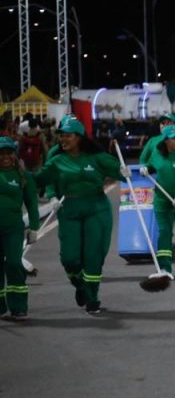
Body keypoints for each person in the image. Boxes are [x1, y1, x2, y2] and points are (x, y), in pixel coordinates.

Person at [32, 115, 126, 314]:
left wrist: (126, 171)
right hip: (70, 209)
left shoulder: (96, 156)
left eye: (68, 136)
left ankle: (93, 298)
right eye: (61, 136)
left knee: (93, 256)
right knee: (70, 258)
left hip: (96, 208)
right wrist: (50, 196)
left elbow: (119, 170)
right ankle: (80, 286)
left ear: (80, 137)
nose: (63, 139)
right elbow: (39, 179)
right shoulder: (57, 160)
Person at [140, 124, 175, 274]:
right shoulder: (157, 154)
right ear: (166, 140)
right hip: (162, 200)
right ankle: (165, 267)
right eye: (174, 138)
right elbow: (151, 165)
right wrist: (146, 168)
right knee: (164, 232)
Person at [0, 137, 39, 322]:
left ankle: (19, 307)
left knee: (14, 263)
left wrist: (34, 228)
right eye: (1, 153)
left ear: (14, 155)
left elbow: (32, 204)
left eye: (8, 152)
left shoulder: (24, 177)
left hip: (13, 229)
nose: (5, 156)